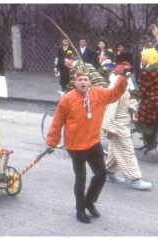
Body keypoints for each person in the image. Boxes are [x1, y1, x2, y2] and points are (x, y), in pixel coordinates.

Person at [46, 67, 131, 224]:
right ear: (75, 83)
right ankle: (80, 209)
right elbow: (57, 121)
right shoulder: (67, 99)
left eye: (86, 80)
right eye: (80, 80)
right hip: (75, 146)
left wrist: (123, 78)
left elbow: (115, 94)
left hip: (93, 142)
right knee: (81, 178)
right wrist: (52, 142)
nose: (83, 82)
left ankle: (89, 202)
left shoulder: (98, 93)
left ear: (90, 82)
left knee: (101, 174)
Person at [102, 62, 152, 190]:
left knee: (115, 150)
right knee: (127, 151)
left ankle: (109, 172)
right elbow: (110, 110)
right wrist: (109, 128)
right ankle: (136, 179)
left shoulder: (125, 87)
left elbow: (128, 102)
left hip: (123, 123)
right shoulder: (117, 88)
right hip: (117, 125)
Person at [132, 48, 158, 152]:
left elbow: (142, 90)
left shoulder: (147, 72)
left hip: (151, 102)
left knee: (140, 121)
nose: (142, 59)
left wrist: (133, 92)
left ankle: (150, 141)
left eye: (143, 57)